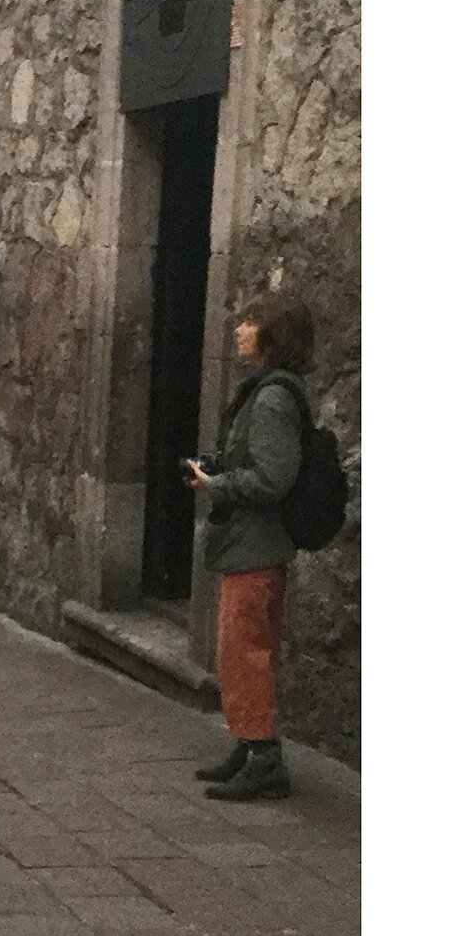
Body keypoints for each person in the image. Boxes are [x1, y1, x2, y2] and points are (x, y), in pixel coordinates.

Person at [183, 298, 315, 802]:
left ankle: (264, 758)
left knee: (247, 652)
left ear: (273, 335)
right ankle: (248, 742)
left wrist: (217, 484)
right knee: (239, 651)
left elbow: (273, 478)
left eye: (251, 322)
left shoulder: (273, 398)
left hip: (255, 546)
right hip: (248, 545)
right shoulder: (265, 391)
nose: (239, 329)